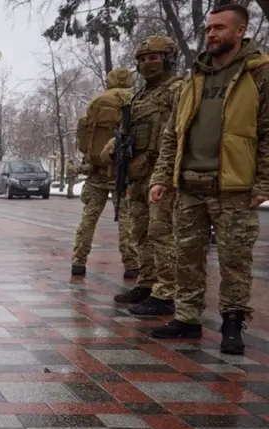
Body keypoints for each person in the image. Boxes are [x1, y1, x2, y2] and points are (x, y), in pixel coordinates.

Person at [149, 3, 269, 354]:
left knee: (234, 260)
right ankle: (187, 319)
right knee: (186, 256)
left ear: (241, 30)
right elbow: (174, 132)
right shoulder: (196, 76)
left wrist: (263, 182)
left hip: (232, 187)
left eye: (219, 28)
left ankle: (233, 323)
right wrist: (162, 177)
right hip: (189, 184)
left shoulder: (259, 73)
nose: (211, 34)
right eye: (208, 29)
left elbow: (267, 132)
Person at [105, 36, 184, 314]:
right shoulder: (140, 95)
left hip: (161, 174)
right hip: (137, 174)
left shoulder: (177, 89)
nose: (147, 63)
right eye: (142, 58)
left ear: (168, 58)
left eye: (154, 57)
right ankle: (147, 282)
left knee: (162, 233)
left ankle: (167, 291)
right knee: (140, 232)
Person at [71, 67, 139, 278]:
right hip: (124, 173)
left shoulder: (96, 102)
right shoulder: (137, 101)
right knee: (127, 221)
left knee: (88, 220)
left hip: (97, 171)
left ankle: (78, 262)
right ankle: (131, 265)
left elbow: (84, 135)